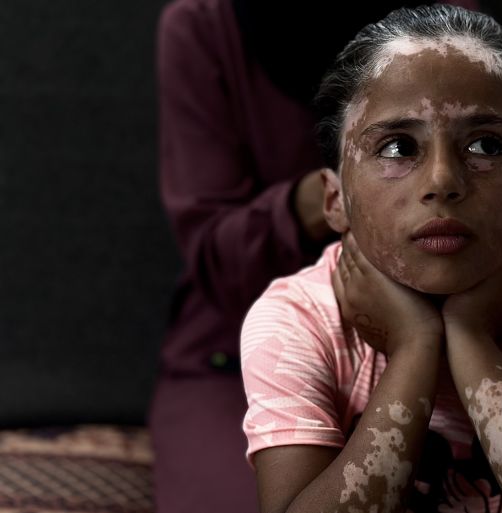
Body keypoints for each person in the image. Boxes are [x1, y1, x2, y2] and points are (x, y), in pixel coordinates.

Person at [240, 4, 502, 513]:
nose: (442, 182)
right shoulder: (295, 319)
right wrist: (414, 346)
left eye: (484, 144)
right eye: (396, 148)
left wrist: (470, 335)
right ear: (335, 201)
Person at [150, 0, 476, 512]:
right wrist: (327, 199)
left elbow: (501, 206)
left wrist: (428, 336)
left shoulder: (447, 21)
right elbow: (213, 252)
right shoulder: (203, 25)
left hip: (446, 315)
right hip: (235, 339)